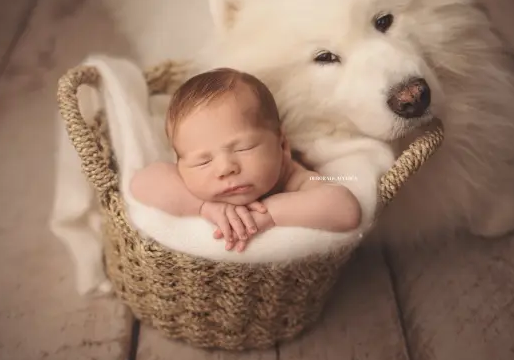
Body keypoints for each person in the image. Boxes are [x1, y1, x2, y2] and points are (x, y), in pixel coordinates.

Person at [129, 67, 361, 253]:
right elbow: (141, 182)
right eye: (203, 162)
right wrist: (204, 207)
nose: (225, 168)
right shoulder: (186, 185)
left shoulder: (292, 178)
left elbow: (346, 209)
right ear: (178, 163)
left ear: (282, 146)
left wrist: (269, 214)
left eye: (243, 148)